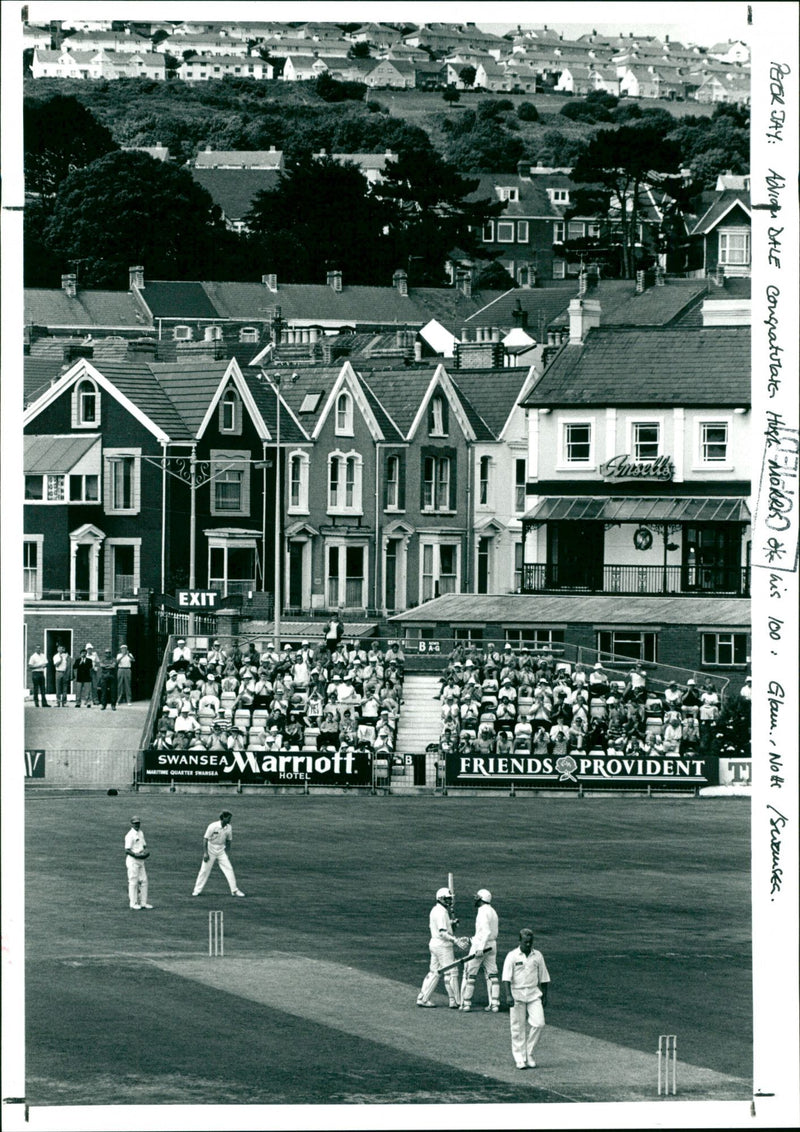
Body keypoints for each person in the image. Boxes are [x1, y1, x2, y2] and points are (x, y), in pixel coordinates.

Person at [502, 928, 550, 1069]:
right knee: (517, 1027)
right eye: (525, 942)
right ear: (520, 941)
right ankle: (519, 1058)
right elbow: (506, 978)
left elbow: (544, 977)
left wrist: (545, 996)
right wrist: (508, 995)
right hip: (517, 994)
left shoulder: (538, 956)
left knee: (539, 1023)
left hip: (534, 993)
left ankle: (529, 1053)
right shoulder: (512, 956)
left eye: (530, 942)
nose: (528, 945)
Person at [417, 887, 469, 1009]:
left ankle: (423, 998)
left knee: (434, 972)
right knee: (451, 972)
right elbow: (442, 933)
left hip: (435, 944)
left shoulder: (436, 910)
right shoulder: (441, 912)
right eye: (447, 899)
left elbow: (444, 929)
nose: (449, 901)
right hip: (442, 946)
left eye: (450, 899)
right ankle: (455, 1001)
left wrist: (451, 924)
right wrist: (455, 940)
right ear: (440, 899)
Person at [460, 888, 500, 1013]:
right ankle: (495, 1004)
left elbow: (486, 932)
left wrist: (480, 948)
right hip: (492, 945)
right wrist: (470, 939)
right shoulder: (492, 911)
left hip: (481, 947)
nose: (475, 900)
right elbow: (483, 933)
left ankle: (465, 1003)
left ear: (481, 899)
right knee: (492, 974)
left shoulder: (482, 912)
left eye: (477, 898)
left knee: (470, 974)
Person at [191, 811, 245, 897]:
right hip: (210, 849)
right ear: (223, 818)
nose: (230, 820)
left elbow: (228, 841)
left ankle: (234, 890)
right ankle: (197, 890)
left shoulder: (229, 828)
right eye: (228, 818)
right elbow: (205, 839)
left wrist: (227, 853)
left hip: (221, 850)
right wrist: (205, 853)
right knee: (204, 870)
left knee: (229, 869)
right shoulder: (213, 826)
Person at [125, 815, 153, 910]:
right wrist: (136, 855)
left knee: (144, 881)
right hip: (133, 861)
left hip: (141, 861)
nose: (137, 825)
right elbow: (127, 850)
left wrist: (146, 853)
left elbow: (144, 846)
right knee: (133, 881)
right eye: (135, 823)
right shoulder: (129, 835)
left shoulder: (140, 833)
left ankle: (143, 903)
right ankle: (133, 903)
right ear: (132, 824)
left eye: (138, 823)